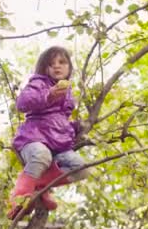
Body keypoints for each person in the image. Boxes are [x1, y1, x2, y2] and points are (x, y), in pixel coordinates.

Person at [7, 46, 90, 219]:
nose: (57, 67)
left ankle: (38, 186)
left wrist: (75, 128)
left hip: (57, 144)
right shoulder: (39, 83)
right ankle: (19, 198)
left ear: (69, 67)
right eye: (51, 64)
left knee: (81, 169)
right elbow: (22, 103)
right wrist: (48, 95)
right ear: (44, 68)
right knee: (41, 155)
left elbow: (60, 120)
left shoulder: (68, 92)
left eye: (62, 62)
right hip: (34, 137)